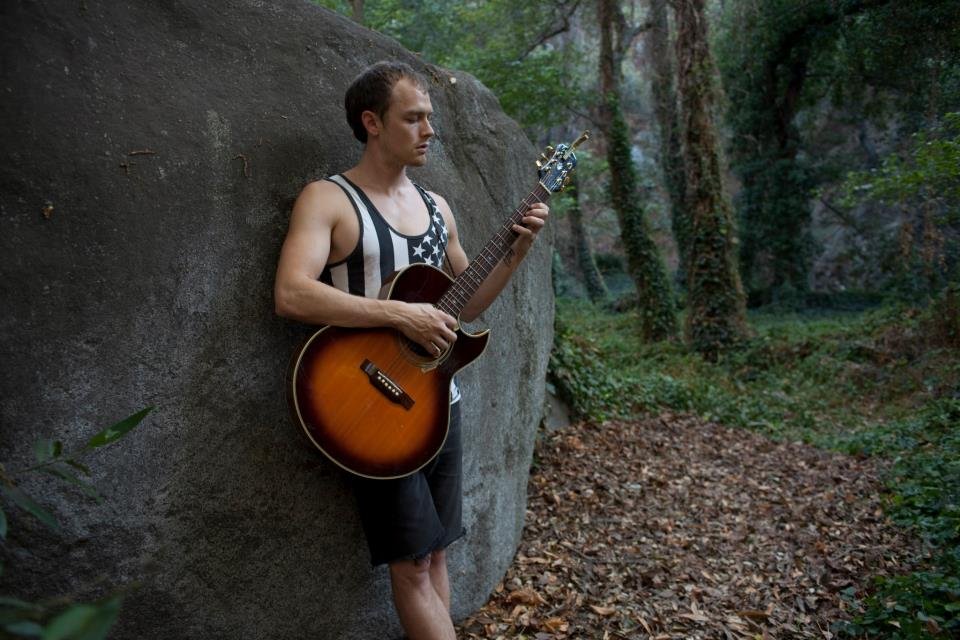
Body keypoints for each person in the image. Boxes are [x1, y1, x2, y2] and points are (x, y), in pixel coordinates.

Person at [273, 61, 549, 640]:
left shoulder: (437, 208)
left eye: (431, 117)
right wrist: (400, 313)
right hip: (369, 404)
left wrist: (516, 252)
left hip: (440, 404)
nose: (429, 130)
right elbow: (292, 293)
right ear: (372, 122)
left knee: (438, 552)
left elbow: (466, 303)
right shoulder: (329, 199)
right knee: (414, 564)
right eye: (414, 118)